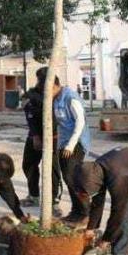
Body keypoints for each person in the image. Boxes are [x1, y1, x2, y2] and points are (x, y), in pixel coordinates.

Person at [39, 68, 92, 223]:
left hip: (76, 143)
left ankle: (85, 213)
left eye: (48, 90)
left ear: (55, 85)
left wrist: (70, 145)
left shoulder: (70, 98)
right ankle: (76, 211)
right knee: (68, 178)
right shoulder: (55, 99)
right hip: (64, 142)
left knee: (73, 178)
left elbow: (80, 122)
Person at [21, 68, 62, 214]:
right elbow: (28, 110)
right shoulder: (34, 94)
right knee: (29, 164)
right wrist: (35, 136)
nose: (39, 83)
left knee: (53, 169)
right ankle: (34, 195)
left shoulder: (58, 95)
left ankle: (54, 202)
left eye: (41, 80)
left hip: (54, 136)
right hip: (34, 134)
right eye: (38, 79)